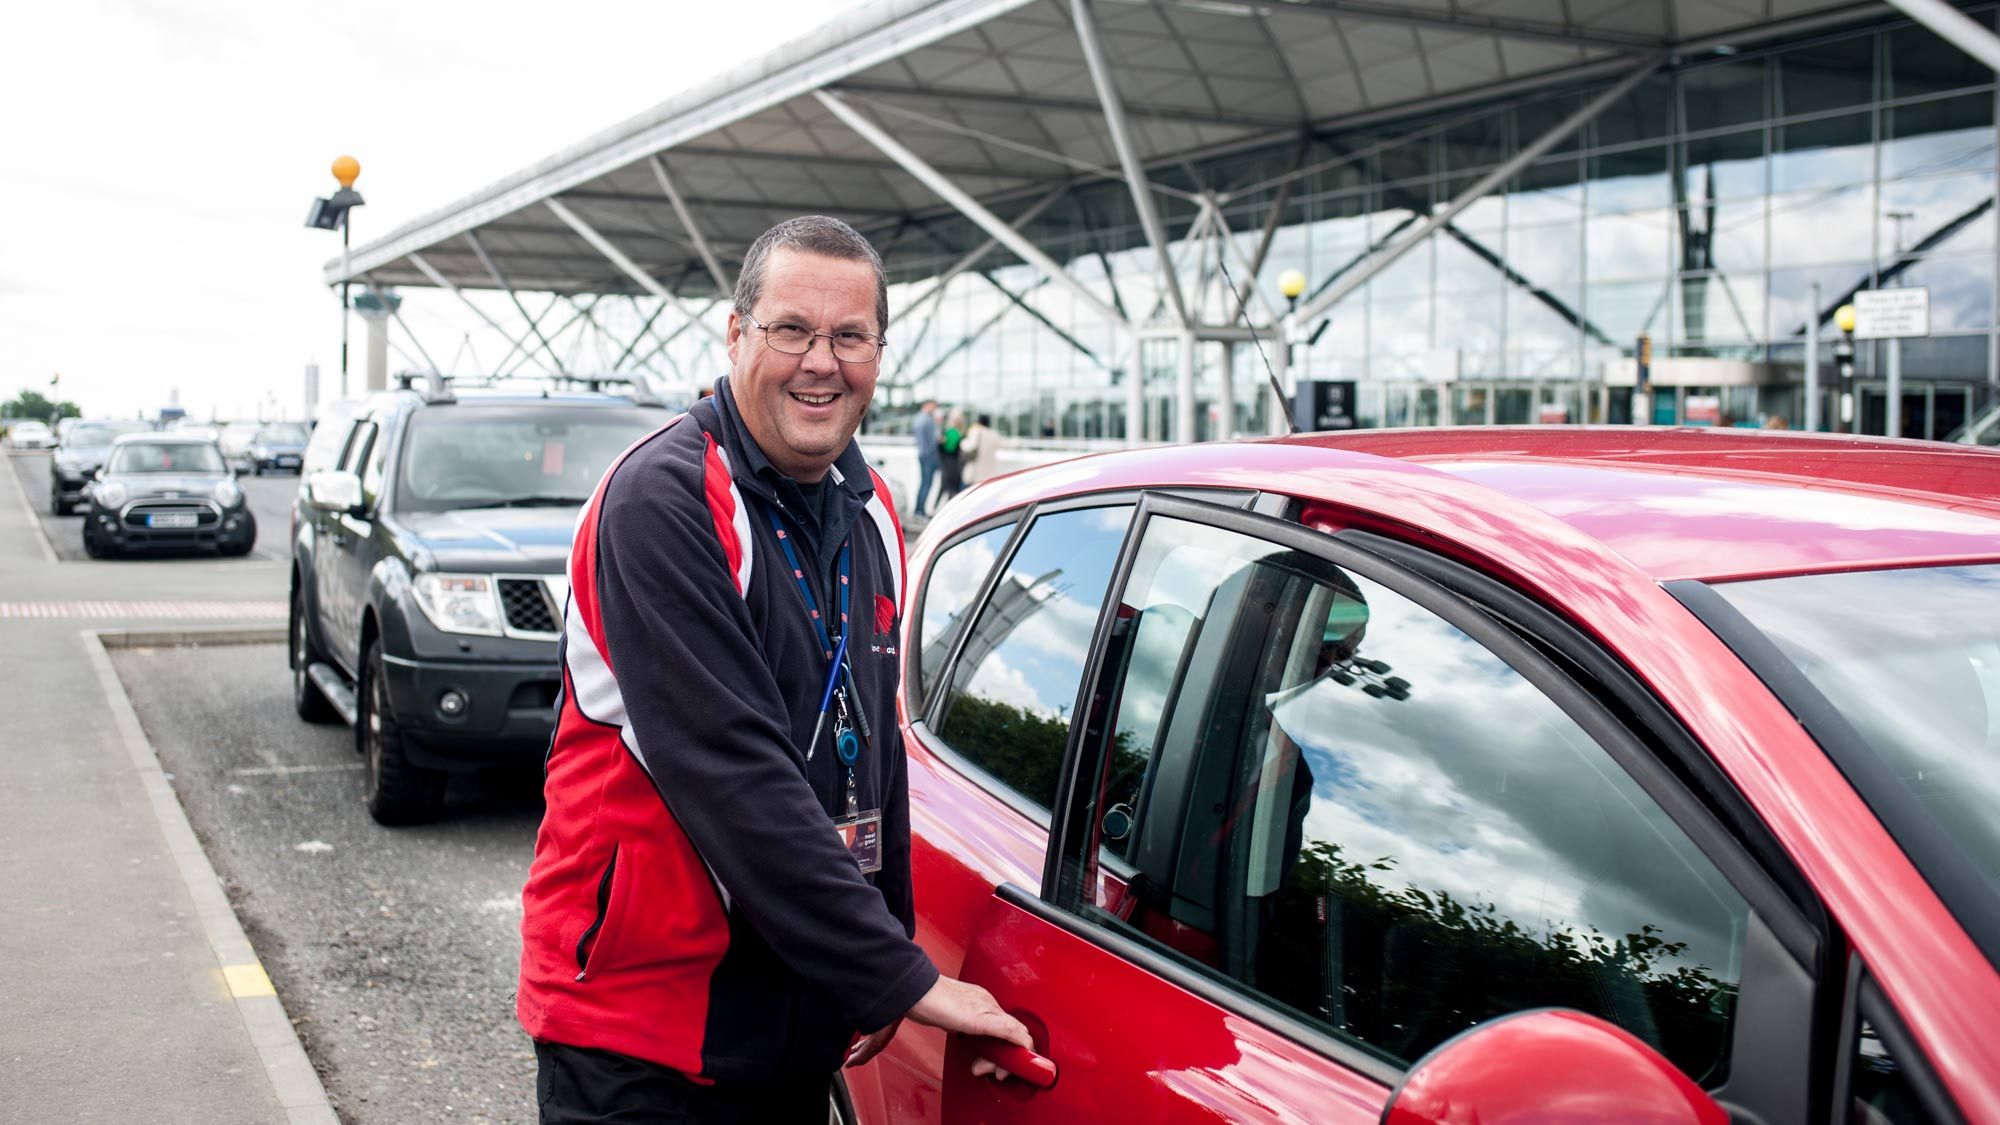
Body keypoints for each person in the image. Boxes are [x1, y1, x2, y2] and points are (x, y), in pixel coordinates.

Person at [517, 215, 1031, 1123]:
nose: (820, 361)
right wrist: (892, 974)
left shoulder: (870, 514)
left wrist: (873, 955)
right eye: (791, 329)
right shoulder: (663, 499)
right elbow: (732, 768)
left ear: (879, 350)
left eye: (849, 336)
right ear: (736, 335)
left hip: (791, 1018)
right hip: (641, 1029)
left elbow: (873, 755)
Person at [910, 398, 939, 517]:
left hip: (923, 454)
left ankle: (919, 509)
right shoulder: (927, 420)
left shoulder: (919, 419)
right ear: (928, 405)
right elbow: (931, 441)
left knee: (924, 483)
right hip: (928, 456)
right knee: (926, 483)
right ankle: (920, 511)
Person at [936, 408, 966, 507]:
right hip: (954, 464)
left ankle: (939, 507)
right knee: (951, 488)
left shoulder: (952, 433)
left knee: (947, 487)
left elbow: (948, 448)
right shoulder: (959, 433)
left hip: (949, 464)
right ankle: (944, 507)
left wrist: (941, 443)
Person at [960, 412, 1000, 487]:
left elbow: (970, 446)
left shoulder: (976, 431)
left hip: (975, 473)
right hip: (988, 474)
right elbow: (1005, 443)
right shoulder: (993, 434)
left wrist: (963, 442)